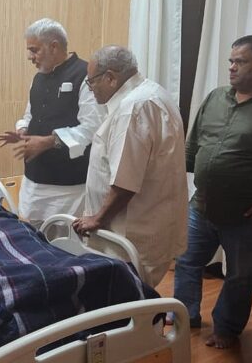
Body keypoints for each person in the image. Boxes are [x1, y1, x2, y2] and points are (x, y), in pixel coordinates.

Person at [173, 35, 252, 349]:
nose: (231, 67)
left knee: (240, 276)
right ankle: (185, 317)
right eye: (231, 60)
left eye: (240, 61)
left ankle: (226, 329)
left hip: (248, 214)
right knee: (186, 262)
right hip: (202, 205)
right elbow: (193, 142)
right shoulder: (215, 97)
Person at [72, 46, 188, 287]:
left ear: (110, 78)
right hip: (149, 223)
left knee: (129, 297)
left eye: (91, 81)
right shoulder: (153, 93)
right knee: (137, 297)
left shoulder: (133, 107)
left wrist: (98, 219)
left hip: (131, 233)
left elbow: (125, 181)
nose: (90, 88)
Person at [0, 18, 104, 228]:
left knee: (63, 239)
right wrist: (23, 130)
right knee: (31, 233)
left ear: (54, 46)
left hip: (68, 186)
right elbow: (30, 114)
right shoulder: (38, 78)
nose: (30, 57)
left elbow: (91, 128)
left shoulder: (84, 75)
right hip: (34, 180)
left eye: (34, 50)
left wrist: (48, 141)